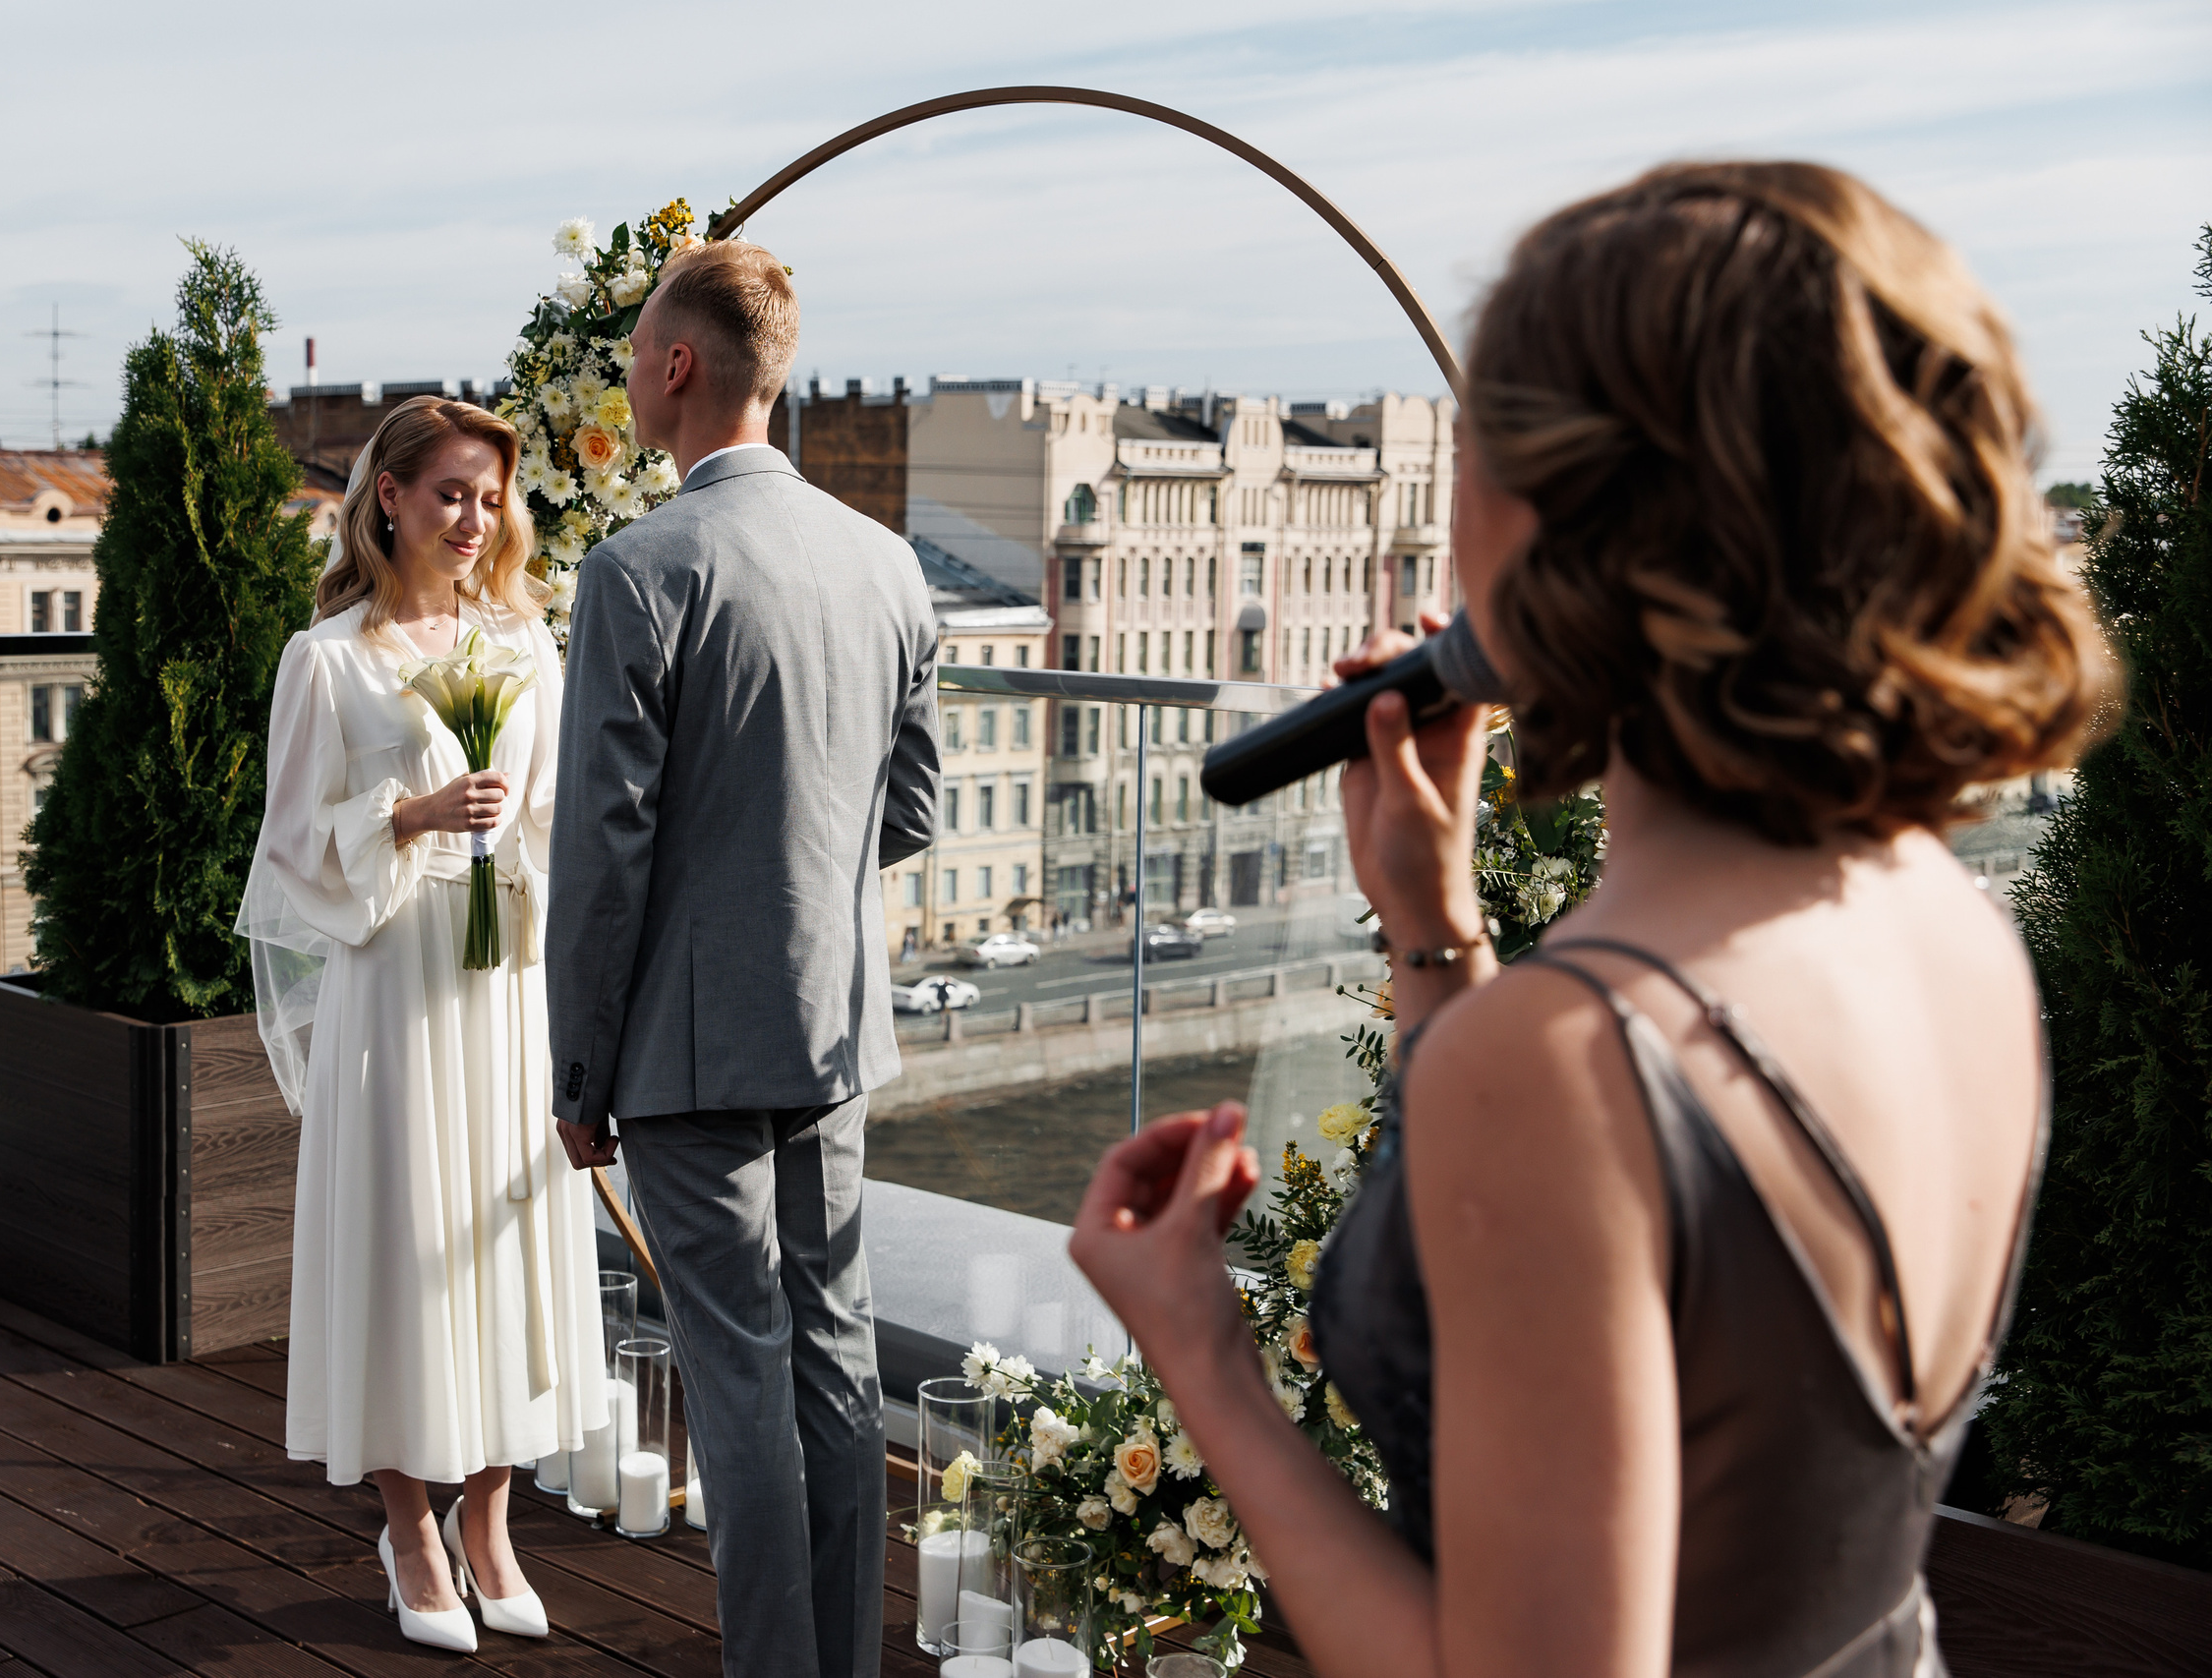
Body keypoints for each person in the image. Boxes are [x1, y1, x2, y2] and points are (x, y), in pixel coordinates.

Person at [1069, 161, 2117, 1678]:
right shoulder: (1956, 932)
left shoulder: (1571, 1057)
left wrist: (1198, 1346)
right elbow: (1731, 1433)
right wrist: (1434, 928)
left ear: (1569, 516)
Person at [547, 240, 940, 1678]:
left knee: (738, 1382)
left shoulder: (639, 569)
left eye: (637, 349)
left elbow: (603, 861)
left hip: (684, 1052)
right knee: (834, 1358)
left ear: (676, 366)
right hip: (832, 1032)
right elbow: (911, 808)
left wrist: (578, 1071)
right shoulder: (886, 562)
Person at [237, 395, 611, 1654]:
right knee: (406, 1240)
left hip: (505, 986)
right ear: (386, 495)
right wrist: (408, 816)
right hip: (394, 987)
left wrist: (515, 859)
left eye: (489, 496)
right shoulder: (328, 660)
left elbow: (563, 821)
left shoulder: (526, 646)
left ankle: (493, 1521)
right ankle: (408, 1530)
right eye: (450, 491)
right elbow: (288, 849)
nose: (473, 518)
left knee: (503, 1237)